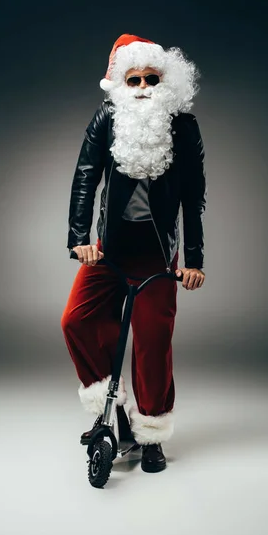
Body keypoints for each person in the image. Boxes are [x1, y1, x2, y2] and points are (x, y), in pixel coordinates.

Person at [61, 33, 207, 473]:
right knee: (77, 321)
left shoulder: (183, 127)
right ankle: (113, 410)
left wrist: (194, 260)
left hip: (159, 254)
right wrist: (79, 237)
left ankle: (152, 435)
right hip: (111, 250)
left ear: (166, 82)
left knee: (152, 342)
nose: (143, 87)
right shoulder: (108, 117)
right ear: (120, 84)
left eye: (151, 78)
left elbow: (193, 196)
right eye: (134, 79)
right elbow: (85, 176)